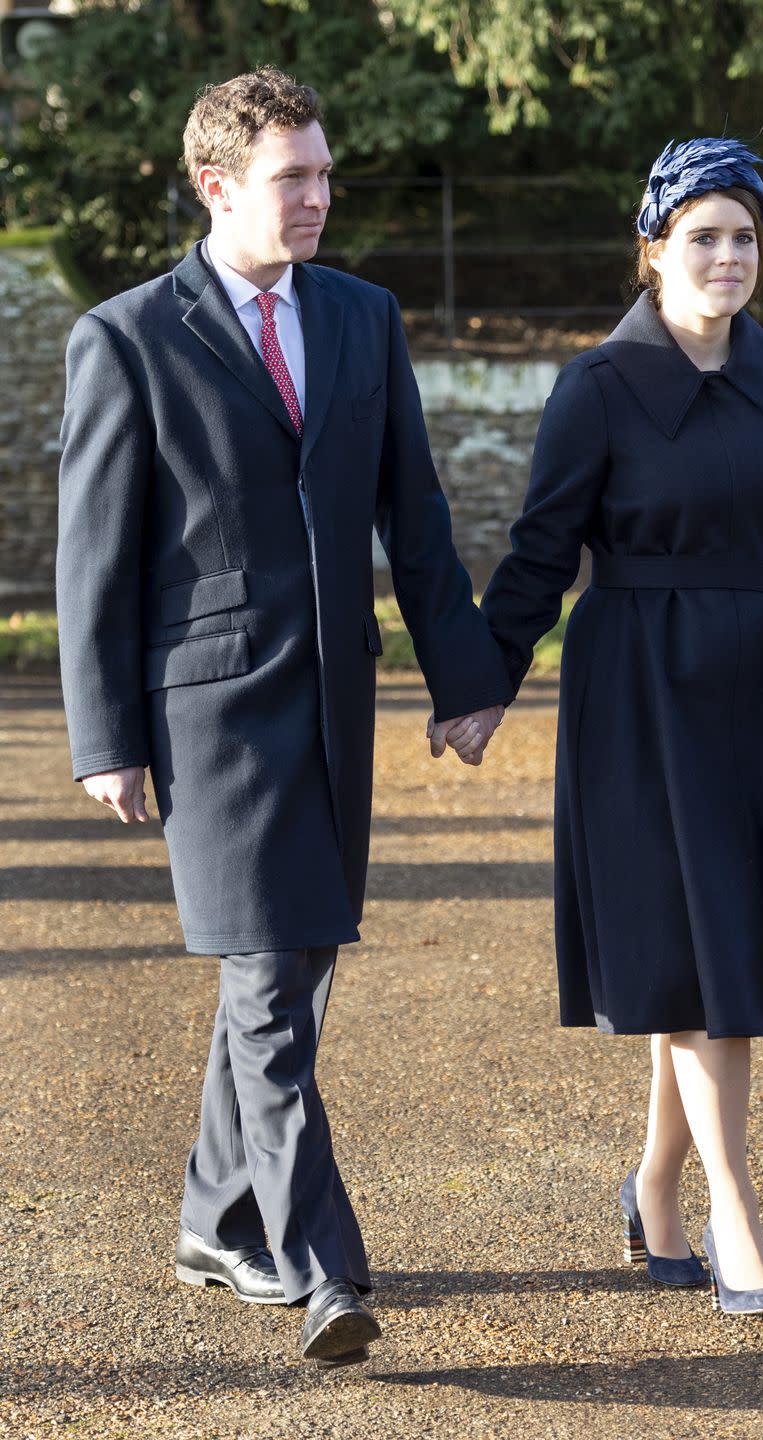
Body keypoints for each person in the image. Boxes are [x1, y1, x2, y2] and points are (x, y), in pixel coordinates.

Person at [56, 66, 509, 1364]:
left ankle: (212, 1218)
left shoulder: (363, 318)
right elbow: (97, 552)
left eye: (323, 174)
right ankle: (323, 1270)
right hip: (204, 712)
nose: (318, 197)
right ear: (217, 186)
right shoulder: (128, 335)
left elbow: (410, 511)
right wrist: (107, 738)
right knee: (266, 981)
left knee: (294, 967)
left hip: (334, 701)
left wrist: (464, 677)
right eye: (292, 177)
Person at [480, 138, 763, 1314]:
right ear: (652, 248)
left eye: (745, 236)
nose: (728, 256)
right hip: (638, 700)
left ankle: (657, 1189)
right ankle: (734, 1212)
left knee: (712, 957)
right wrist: (483, 679)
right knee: (698, 954)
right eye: (703, 234)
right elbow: (538, 553)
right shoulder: (595, 389)